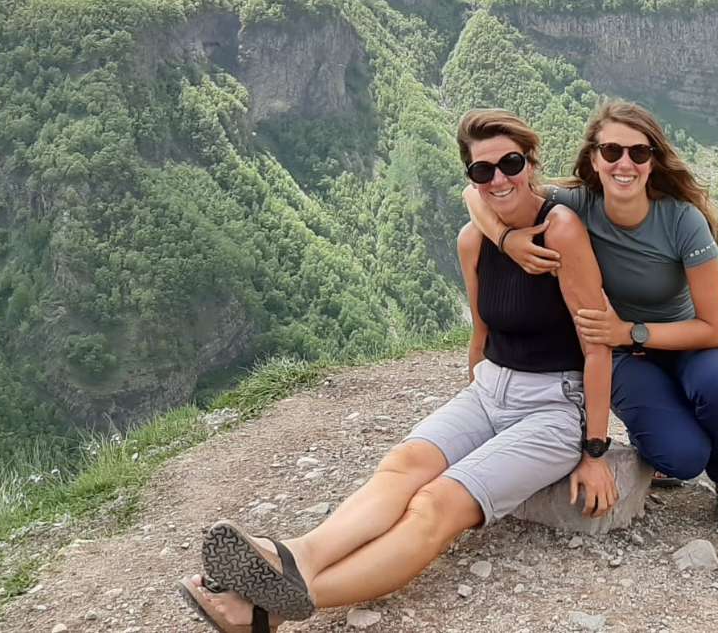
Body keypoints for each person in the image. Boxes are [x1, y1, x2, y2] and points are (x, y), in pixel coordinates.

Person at [176, 109, 620, 633]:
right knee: (404, 463)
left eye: (511, 163)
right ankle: (294, 554)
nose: (499, 179)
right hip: (491, 389)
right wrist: (472, 409)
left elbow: (597, 348)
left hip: (554, 405)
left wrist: (594, 451)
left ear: (530, 162)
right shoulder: (473, 240)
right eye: (482, 171)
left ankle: (268, 609)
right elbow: (481, 332)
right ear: (471, 178)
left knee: (436, 504)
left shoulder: (560, 230)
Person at [464, 100, 718, 542]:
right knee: (683, 460)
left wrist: (628, 331)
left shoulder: (683, 221)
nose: (623, 163)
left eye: (638, 153)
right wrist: (506, 238)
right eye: (611, 152)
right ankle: (673, 438)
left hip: (684, 341)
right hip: (626, 357)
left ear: (652, 161)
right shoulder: (576, 205)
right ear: (594, 158)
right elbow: (480, 189)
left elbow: (712, 328)